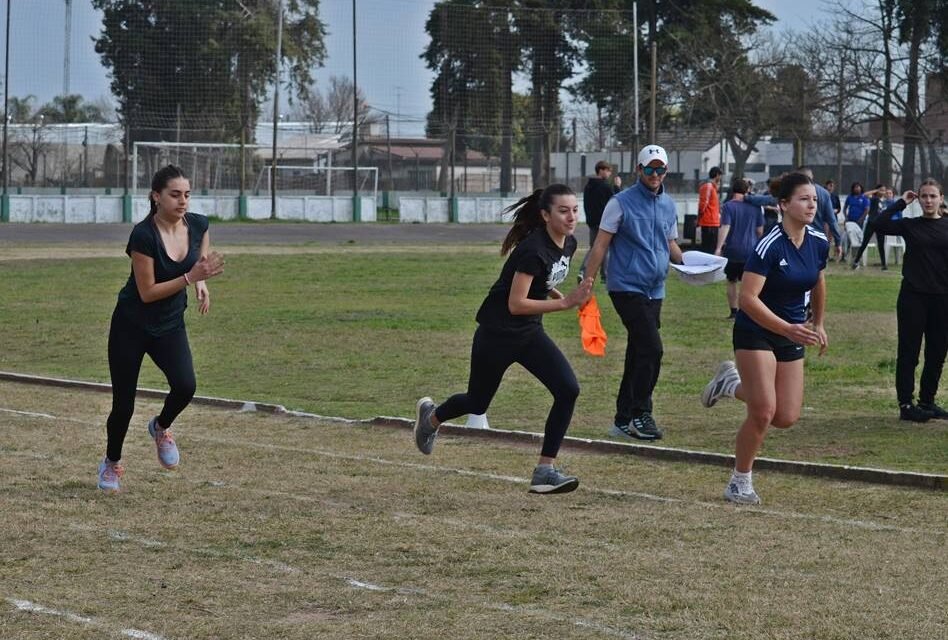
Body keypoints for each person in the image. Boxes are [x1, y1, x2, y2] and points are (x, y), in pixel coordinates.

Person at [413, 184, 593, 494]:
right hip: (497, 334)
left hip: (529, 333)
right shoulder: (532, 249)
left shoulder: (569, 243)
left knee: (568, 389)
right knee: (477, 402)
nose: (571, 217)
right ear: (545, 215)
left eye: (575, 210)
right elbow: (515, 304)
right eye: (563, 211)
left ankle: (544, 470)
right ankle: (431, 419)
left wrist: (551, 289)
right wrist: (564, 303)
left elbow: (543, 277)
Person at [701, 172, 829, 505]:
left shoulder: (818, 240)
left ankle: (730, 384)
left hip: (793, 330)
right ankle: (739, 482)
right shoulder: (769, 244)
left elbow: (817, 280)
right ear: (783, 205)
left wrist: (818, 322)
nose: (811, 205)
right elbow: (748, 298)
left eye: (814, 199)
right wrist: (786, 328)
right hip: (756, 329)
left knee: (786, 416)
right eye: (803, 199)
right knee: (763, 411)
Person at [97, 165, 225, 493]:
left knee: (186, 386)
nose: (183, 201)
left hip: (169, 324)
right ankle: (111, 464)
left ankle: (161, 426)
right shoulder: (143, 235)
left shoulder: (197, 224)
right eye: (174, 194)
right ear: (156, 197)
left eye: (187, 194)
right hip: (131, 324)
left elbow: (201, 250)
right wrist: (190, 278)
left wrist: (201, 284)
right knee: (123, 404)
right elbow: (148, 292)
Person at [582, 144, 683, 441]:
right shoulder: (620, 202)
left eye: (660, 169)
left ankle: (622, 419)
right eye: (649, 169)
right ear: (638, 170)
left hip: (656, 288)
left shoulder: (668, 205)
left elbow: (671, 244)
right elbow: (601, 244)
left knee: (639, 349)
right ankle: (642, 413)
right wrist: (587, 282)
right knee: (653, 348)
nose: (655, 174)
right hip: (625, 285)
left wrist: (698, 265)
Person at [871, 179, 948, 422]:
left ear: (941, 199)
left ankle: (927, 400)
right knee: (909, 353)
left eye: (932, 196)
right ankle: (906, 404)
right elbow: (878, 224)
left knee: (937, 352)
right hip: (913, 297)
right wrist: (902, 202)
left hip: (943, 298)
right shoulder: (910, 225)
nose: (927, 200)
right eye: (923, 196)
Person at [715, 177, 765, 319]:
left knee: (731, 281)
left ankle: (734, 311)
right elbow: (760, 230)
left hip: (733, 250)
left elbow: (725, 227)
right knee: (749, 284)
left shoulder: (729, 206)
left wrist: (719, 248)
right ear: (747, 190)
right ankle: (749, 311)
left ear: (733, 190)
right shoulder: (755, 207)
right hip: (751, 251)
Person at [579, 161, 615, 283]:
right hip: (603, 222)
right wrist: (617, 186)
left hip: (592, 221)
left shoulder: (589, 186)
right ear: (601, 170)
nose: (609, 173)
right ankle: (584, 271)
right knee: (598, 247)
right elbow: (616, 200)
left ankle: (605, 275)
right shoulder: (605, 186)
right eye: (608, 170)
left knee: (601, 247)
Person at [851, 184, 889, 270]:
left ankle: (884, 264)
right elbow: (864, 195)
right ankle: (856, 261)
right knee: (865, 243)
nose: (883, 191)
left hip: (881, 224)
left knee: (881, 244)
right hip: (871, 223)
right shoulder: (874, 199)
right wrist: (876, 191)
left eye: (884, 190)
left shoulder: (885, 200)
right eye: (881, 190)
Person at [698, 167, 722, 253]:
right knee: (708, 248)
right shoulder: (708, 186)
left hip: (712, 222)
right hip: (709, 222)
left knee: (711, 248)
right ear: (717, 175)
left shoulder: (712, 187)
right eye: (720, 175)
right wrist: (699, 218)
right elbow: (703, 204)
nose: (720, 178)